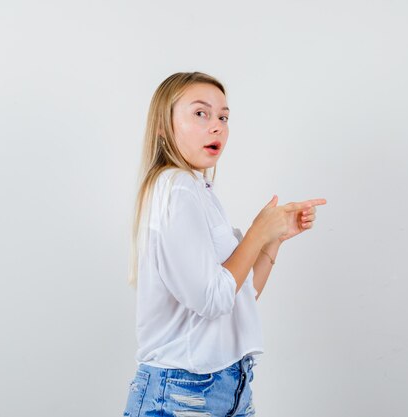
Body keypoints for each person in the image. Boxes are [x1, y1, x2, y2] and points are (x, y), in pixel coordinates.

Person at [122, 71, 327, 417]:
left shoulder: (199, 191)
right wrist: (256, 234)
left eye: (223, 117)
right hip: (182, 392)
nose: (216, 126)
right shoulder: (178, 187)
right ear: (163, 125)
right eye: (200, 113)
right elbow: (211, 299)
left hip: (228, 388)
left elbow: (236, 295)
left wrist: (272, 242)